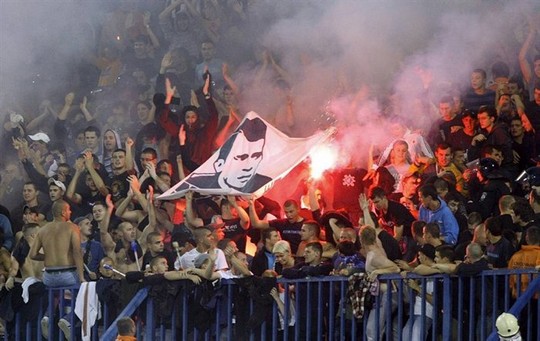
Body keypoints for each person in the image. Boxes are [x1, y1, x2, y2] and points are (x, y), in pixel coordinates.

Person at [175, 116, 272, 193]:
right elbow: (188, 163)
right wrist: (182, 143)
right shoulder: (203, 180)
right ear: (219, 164)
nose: (248, 167)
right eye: (241, 158)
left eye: (256, 156)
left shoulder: (260, 182)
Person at [29, 200, 85, 286]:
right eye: (68, 209)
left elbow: (32, 255)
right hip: (67, 276)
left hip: (48, 278)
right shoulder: (73, 227)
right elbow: (77, 252)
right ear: (63, 212)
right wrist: (81, 278)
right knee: (83, 284)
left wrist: (48, 256)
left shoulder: (42, 230)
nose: (70, 212)